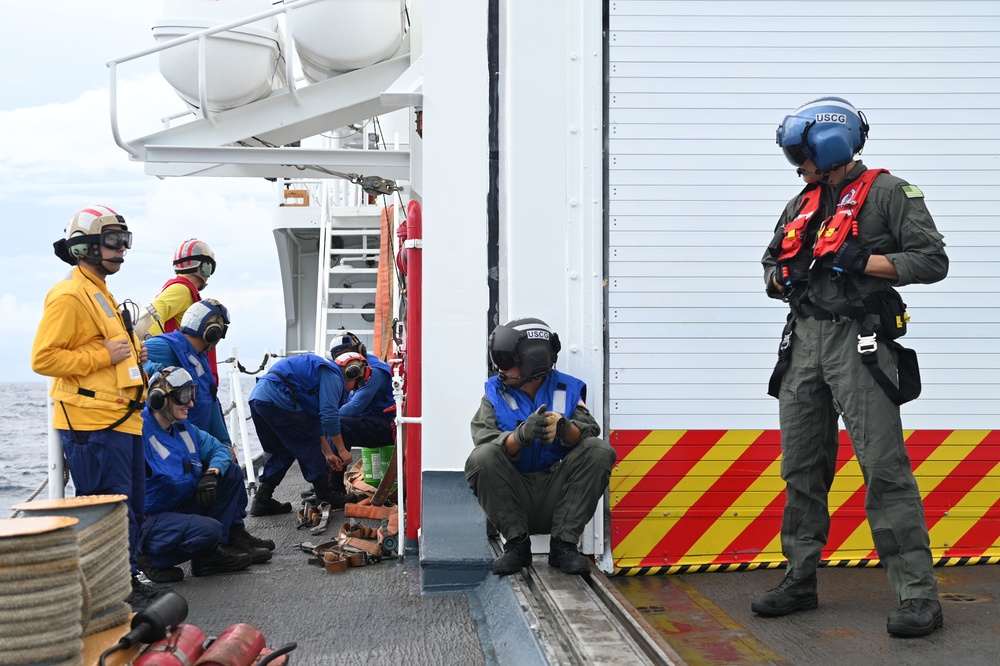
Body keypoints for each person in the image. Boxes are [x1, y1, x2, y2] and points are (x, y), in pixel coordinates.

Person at [759, 96, 949, 637]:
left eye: (802, 154)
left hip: (860, 342)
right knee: (801, 467)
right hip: (803, 345)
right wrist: (782, 276)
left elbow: (932, 260)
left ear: (828, 145)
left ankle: (918, 596)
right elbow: (770, 263)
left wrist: (861, 260)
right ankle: (799, 579)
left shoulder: (891, 193)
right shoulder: (801, 202)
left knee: (884, 469)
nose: (798, 165)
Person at [31, 205, 157, 609]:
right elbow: (44, 358)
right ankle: (108, 592)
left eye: (126, 241)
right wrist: (101, 355)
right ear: (85, 246)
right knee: (105, 509)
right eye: (113, 241)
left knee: (130, 507)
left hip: (123, 420)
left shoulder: (99, 292)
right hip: (93, 425)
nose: (122, 249)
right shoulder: (68, 295)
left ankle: (126, 576)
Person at [465, 317, 617, 577]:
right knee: (482, 457)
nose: (499, 368)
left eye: (504, 361)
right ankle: (517, 545)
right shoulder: (494, 393)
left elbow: (589, 430)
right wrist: (519, 436)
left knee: (599, 450)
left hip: (558, 496)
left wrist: (563, 428)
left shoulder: (567, 389)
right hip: (515, 495)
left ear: (531, 360)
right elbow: (485, 441)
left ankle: (563, 545)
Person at [142, 299, 274, 553]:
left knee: (229, 471)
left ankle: (232, 535)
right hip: (172, 444)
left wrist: (224, 442)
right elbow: (138, 360)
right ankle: (203, 543)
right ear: (213, 330)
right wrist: (158, 374)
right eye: (220, 329)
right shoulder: (166, 345)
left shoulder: (199, 360)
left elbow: (209, 401)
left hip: (194, 440)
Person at [136, 367, 263, 582]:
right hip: (151, 521)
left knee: (230, 473)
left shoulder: (184, 429)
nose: (191, 404)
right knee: (209, 530)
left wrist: (211, 473)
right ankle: (150, 558)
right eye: (184, 396)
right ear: (159, 399)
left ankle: (209, 556)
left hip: (178, 505)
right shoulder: (137, 432)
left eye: (192, 395)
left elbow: (223, 451)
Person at [247, 348, 369, 515]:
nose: (354, 389)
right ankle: (325, 495)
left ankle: (262, 499)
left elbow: (315, 419)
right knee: (308, 443)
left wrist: (328, 452)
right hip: (279, 398)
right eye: (358, 383)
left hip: (259, 398)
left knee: (280, 451)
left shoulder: (322, 372)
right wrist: (341, 450)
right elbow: (329, 415)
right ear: (352, 372)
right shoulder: (333, 376)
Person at [148, 238, 220, 383]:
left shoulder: (182, 289)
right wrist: (155, 357)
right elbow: (151, 317)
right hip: (182, 373)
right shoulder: (181, 289)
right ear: (205, 266)